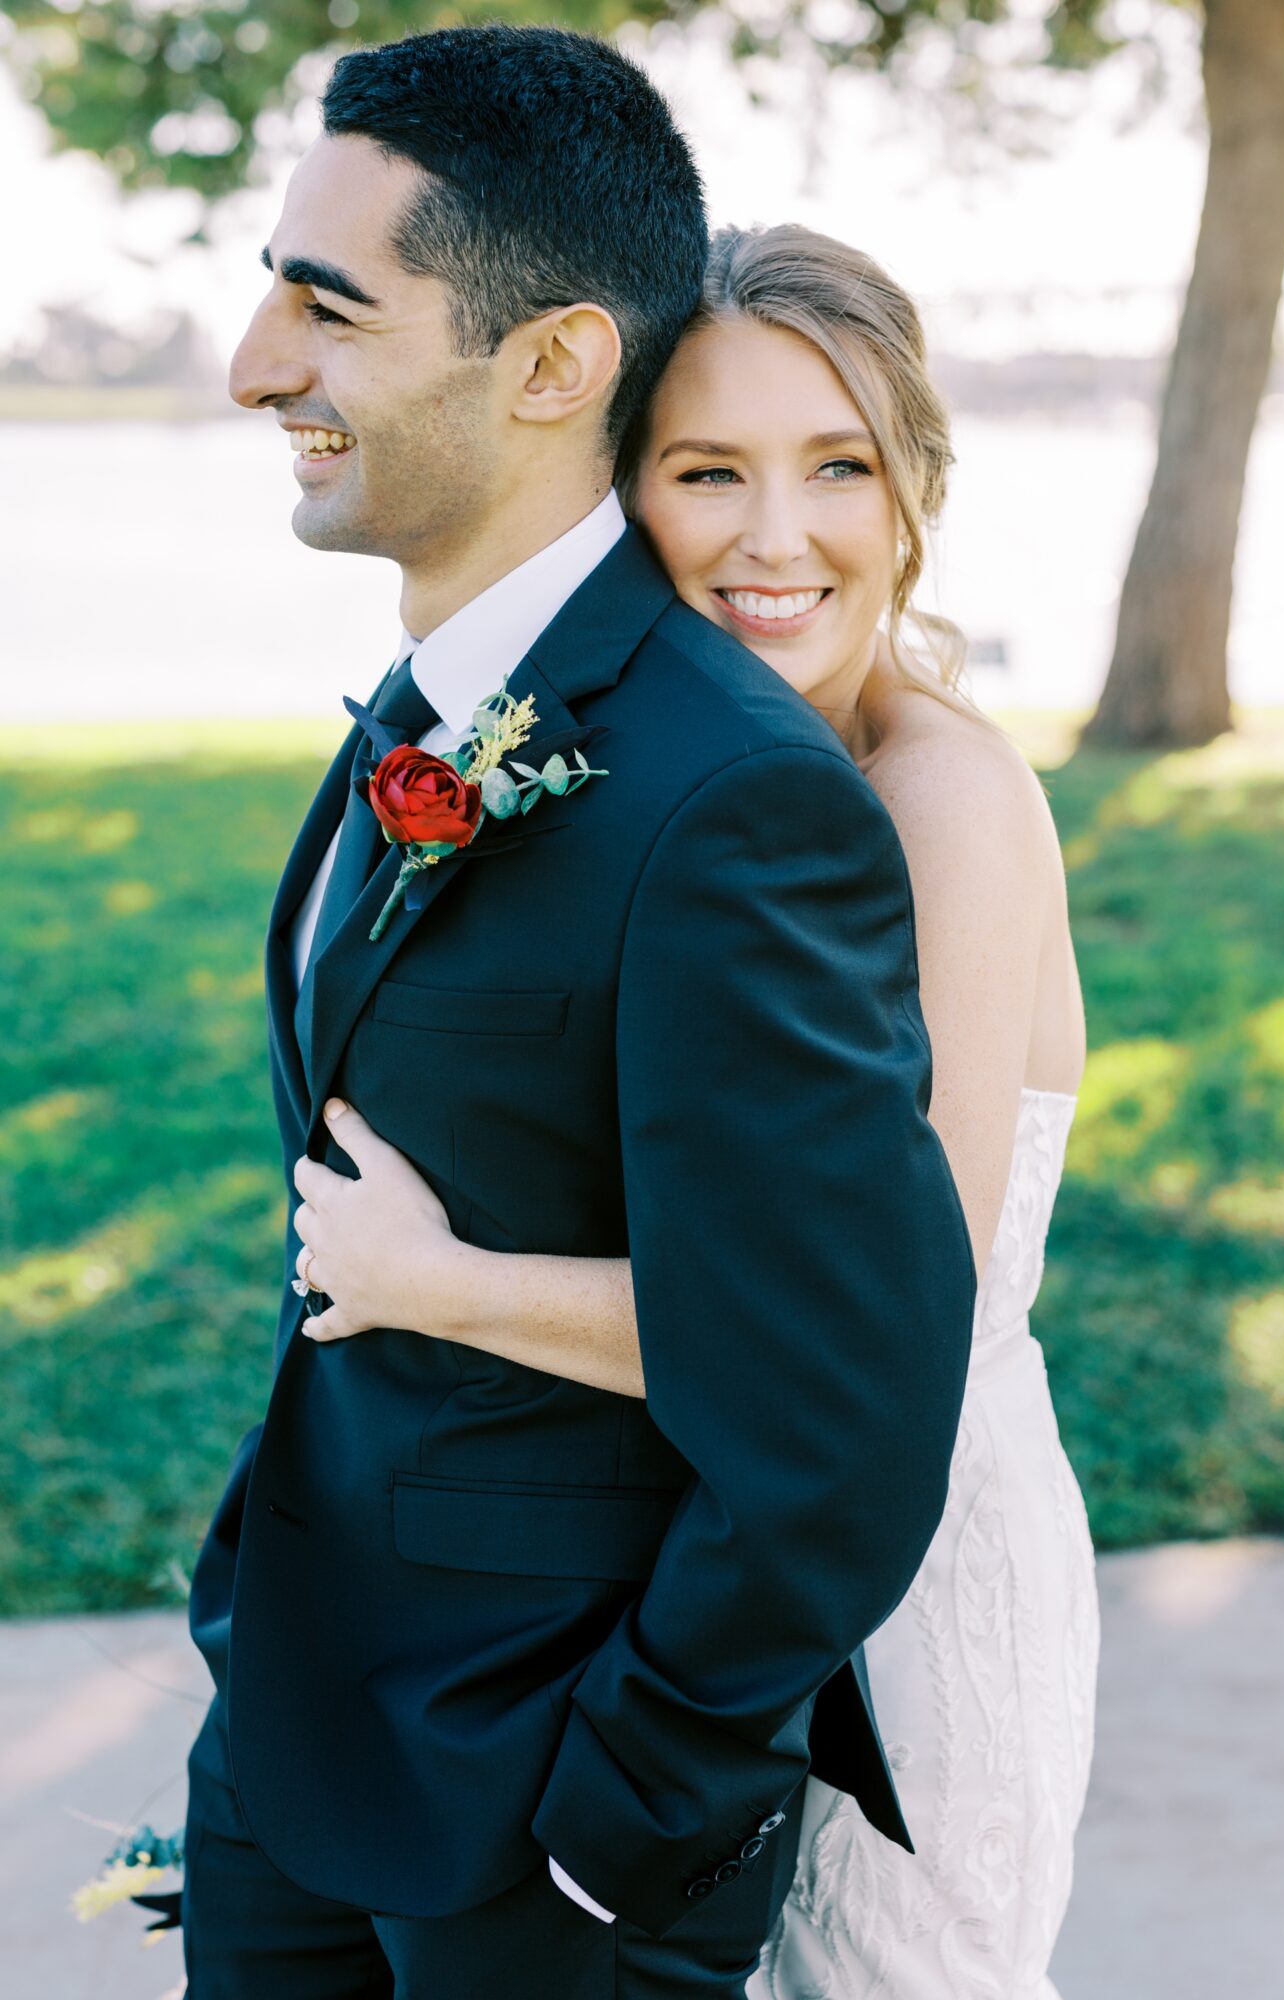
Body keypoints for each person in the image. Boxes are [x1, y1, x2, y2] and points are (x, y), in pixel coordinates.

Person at [183, 28, 975, 2000]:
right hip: (298, 1747)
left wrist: (631, 1822)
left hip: (545, 1832)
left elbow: (839, 1410)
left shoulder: (734, 794)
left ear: (547, 365)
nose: (255, 362)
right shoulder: (428, 702)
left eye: (327, 305)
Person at [298, 222, 1101, 1998]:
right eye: (705, 470)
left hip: (894, 1594)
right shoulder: (691, 779)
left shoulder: (936, 805)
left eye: (839, 469)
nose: (773, 536)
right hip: (678, 1577)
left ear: (910, 500)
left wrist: (438, 1279)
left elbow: (880, 1345)